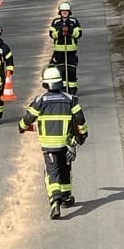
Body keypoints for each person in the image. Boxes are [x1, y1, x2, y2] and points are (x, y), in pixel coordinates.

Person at [18, 64, 88, 218]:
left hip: (48, 145)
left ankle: (55, 202)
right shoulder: (70, 99)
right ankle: (66, 197)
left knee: (52, 172)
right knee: (65, 169)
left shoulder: (40, 100)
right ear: (59, 82)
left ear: (46, 83)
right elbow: (80, 120)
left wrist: (21, 126)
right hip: (65, 143)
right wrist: (82, 136)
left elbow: (28, 119)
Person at [48, 2, 82, 90]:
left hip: (71, 51)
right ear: (60, 12)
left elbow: (78, 34)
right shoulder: (56, 22)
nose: (64, 13)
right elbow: (52, 34)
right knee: (61, 71)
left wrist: (69, 31)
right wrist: (60, 32)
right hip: (59, 51)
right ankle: (62, 89)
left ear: (69, 12)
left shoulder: (74, 21)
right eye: (63, 11)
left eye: (66, 11)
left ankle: (72, 90)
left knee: (71, 71)